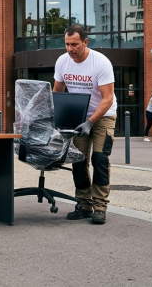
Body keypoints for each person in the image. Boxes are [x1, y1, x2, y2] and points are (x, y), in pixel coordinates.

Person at [53, 25, 117, 225]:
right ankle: (84, 203)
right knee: (78, 160)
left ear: (85, 42)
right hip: (78, 116)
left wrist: (90, 122)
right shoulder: (62, 62)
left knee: (99, 159)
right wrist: (57, 121)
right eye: (67, 44)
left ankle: (100, 206)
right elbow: (57, 94)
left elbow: (107, 99)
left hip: (104, 114)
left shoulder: (100, 63)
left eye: (74, 44)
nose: (70, 49)